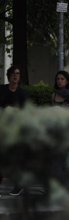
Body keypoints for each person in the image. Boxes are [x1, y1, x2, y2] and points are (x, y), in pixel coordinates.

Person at [0, 66, 27, 196]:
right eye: (13, 74)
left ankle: (19, 185)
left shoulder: (22, 93)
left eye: (18, 74)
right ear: (8, 76)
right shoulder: (2, 89)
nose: (15, 76)